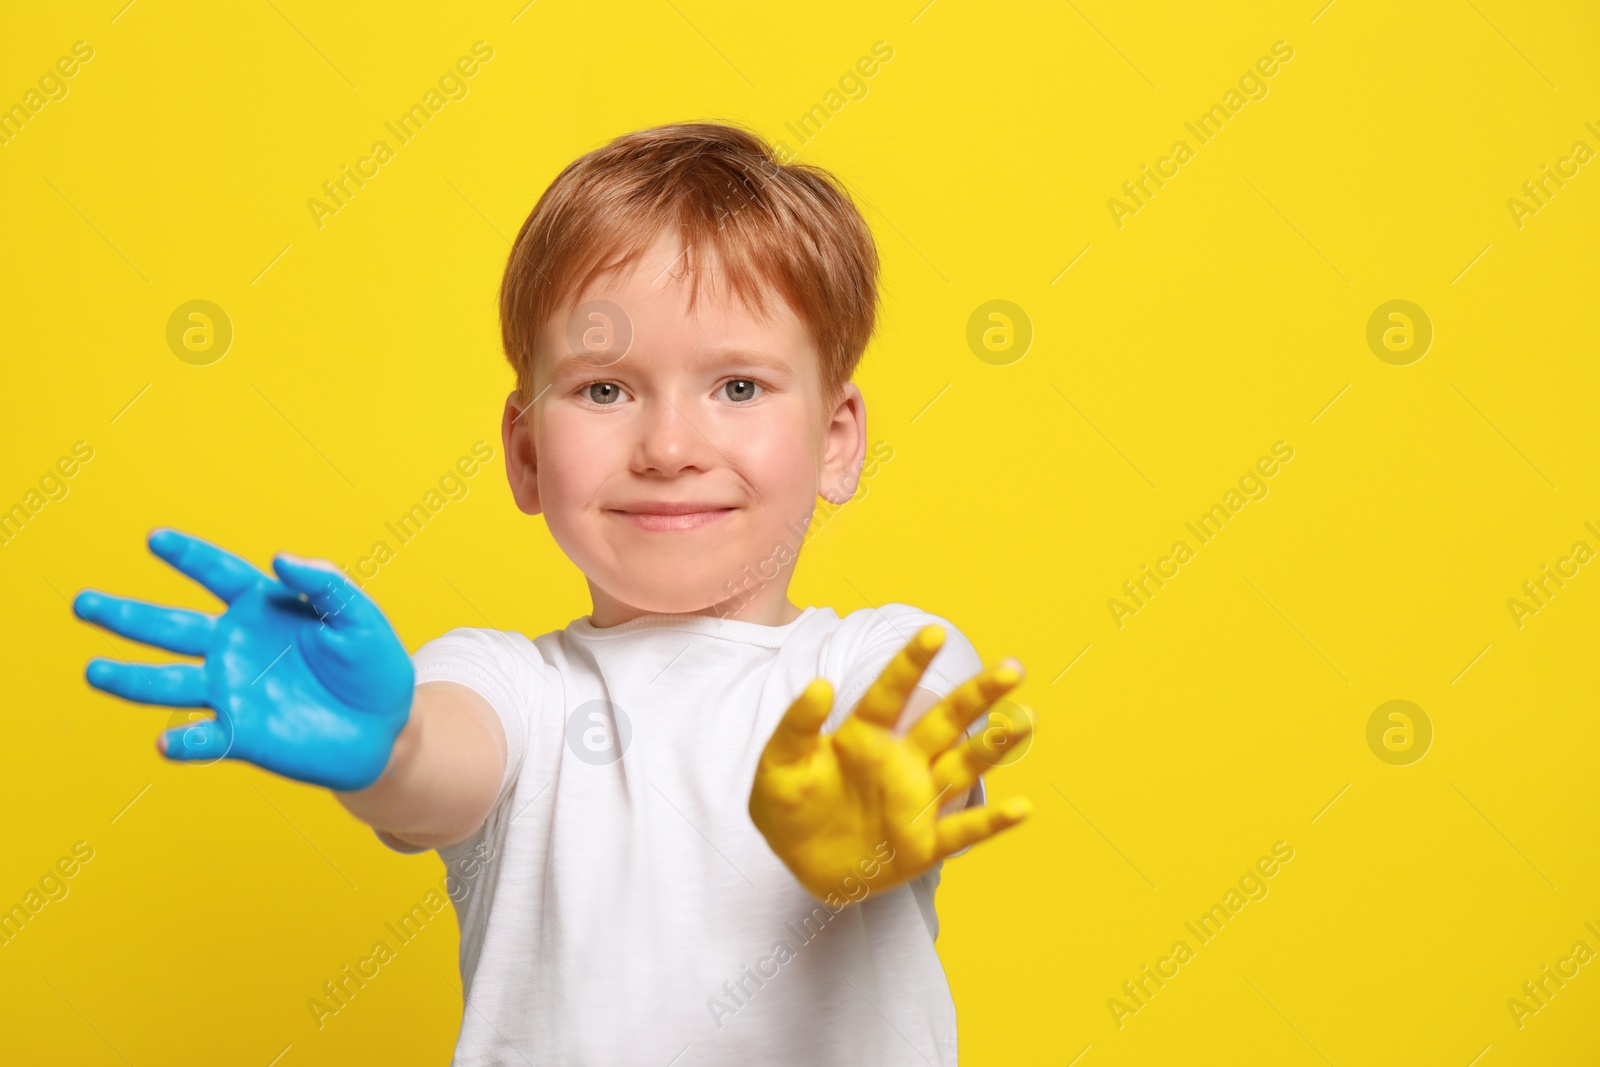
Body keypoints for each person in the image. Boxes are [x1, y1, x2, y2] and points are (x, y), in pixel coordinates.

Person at [72, 120, 1036, 1066]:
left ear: (836, 439)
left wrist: (875, 806)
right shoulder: (507, 684)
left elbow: (921, 726)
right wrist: (382, 741)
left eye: (738, 387)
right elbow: (436, 759)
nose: (668, 448)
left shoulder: (872, 657)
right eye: (606, 391)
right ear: (526, 452)